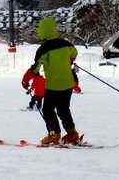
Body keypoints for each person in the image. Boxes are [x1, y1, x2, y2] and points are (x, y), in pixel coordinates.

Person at [33, 17, 80, 145]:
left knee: (48, 110)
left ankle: (53, 134)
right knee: (64, 109)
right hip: (68, 84)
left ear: (41, 33)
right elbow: (74, 52)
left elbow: (36, 67)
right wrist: (69, 60)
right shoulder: (65, 43)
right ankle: (72, 133)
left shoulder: (43, 49)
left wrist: (28, 79)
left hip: (53, 86)